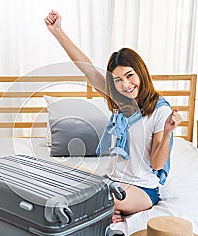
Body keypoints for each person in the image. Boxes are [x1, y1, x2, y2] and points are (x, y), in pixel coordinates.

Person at [45, 10, 183, 223]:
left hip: (142, 190)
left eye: (129, 76)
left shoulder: (160, 110)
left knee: (96, 197)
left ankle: (105, 207)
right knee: (59, 173)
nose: (126, 85)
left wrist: (167, 133)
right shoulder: (122, 104)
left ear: (141, 73)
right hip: (110, 182)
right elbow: (88, 69)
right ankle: (105, 207)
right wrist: (58, 32)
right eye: (118, 80)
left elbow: (156, 165)